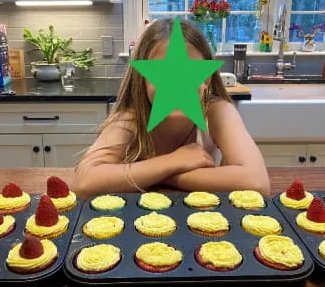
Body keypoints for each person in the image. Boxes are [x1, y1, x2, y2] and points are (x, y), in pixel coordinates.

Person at [73, 18, 269, 198]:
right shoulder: (131, 119)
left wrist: (163, 175)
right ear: (142, 80)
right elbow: (84, 182)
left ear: (206, 79)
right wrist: (175, 161)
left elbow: (257, 182)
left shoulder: (217, 112)